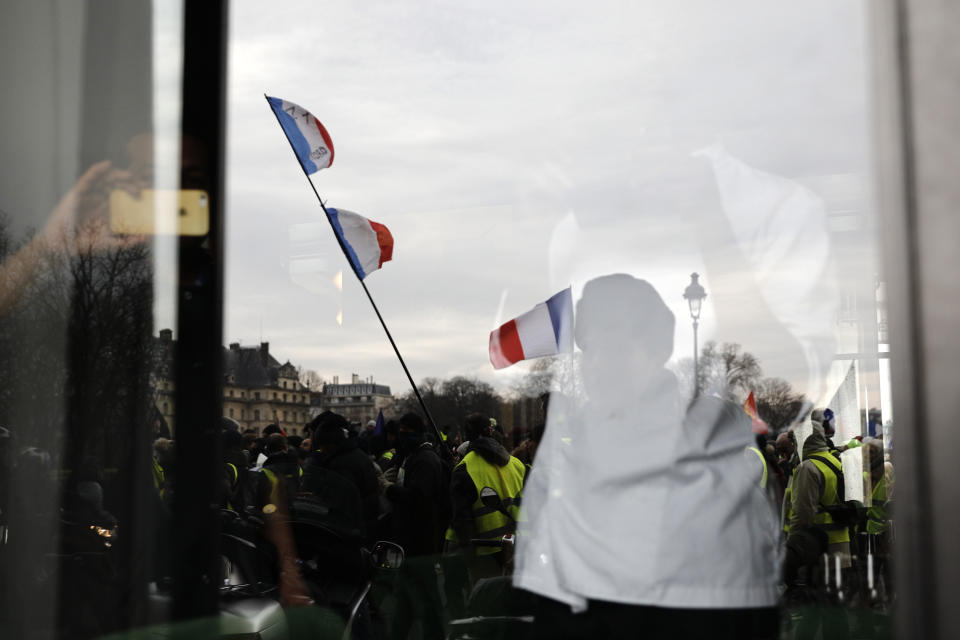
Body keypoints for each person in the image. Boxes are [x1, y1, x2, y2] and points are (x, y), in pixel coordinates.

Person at [383, 413, 449, 640]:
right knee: (413, 598)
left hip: (419, 540)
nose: (401, 438)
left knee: (421, 598)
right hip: (413, 539)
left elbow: (417, 498)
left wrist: (388, 488)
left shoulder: (424, 461)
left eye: (406, 434)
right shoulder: (415, 457)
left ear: (416, 434)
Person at [446, 412, 526, 581]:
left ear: (467, 436)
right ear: (490, 431)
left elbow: (462, 519)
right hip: (516, 549)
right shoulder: (516, 464)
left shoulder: (464, 468)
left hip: (484, 554)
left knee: (485, 602)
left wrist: (470, 558)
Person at [304, 411, 380, 540]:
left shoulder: (340, 464)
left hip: (349, 535)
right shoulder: (353, 455)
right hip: (362, 529)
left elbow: (338, 503)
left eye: (322, 447)